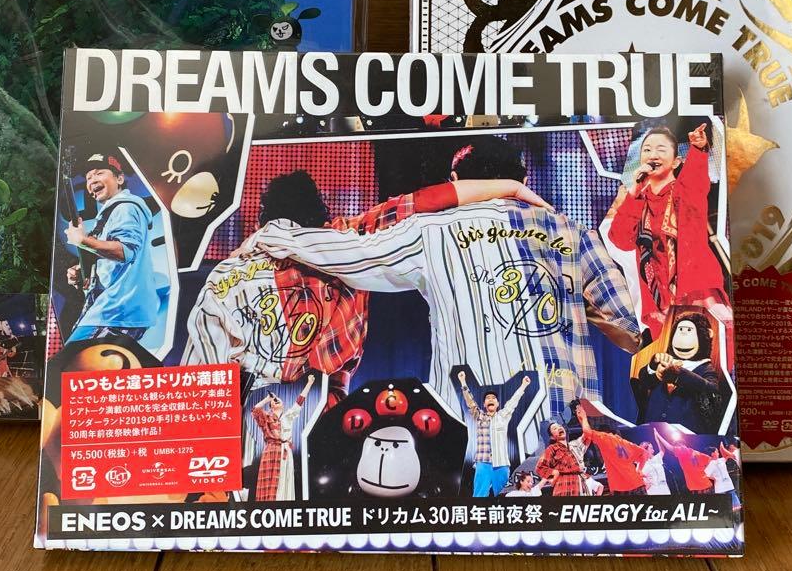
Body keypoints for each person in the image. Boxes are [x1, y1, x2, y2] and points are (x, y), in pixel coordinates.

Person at [248, 136, 642, 431]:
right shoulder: (574, 232)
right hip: (567, 430)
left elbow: (350, 253)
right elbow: (629, 330)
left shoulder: (429, 230)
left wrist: (276, 234)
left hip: (468, 434)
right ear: (524, 178)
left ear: (455, 179)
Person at [184, 168, 550, 407]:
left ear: (263, 217)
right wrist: (512, 187)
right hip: (319, 414)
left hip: (239, 418)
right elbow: (422, 202)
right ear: (319, 209)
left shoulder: (227, 273)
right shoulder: (347, 238)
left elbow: (198, 373)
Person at [606, 124, 726, 339]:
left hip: (695, 294)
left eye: (661, 149)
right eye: (647, 150)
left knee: (707, 351)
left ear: (676, 162)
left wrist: (698, 148)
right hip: (658, 303)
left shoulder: (684, 192)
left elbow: (695, 179)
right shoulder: (638, 201)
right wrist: (634, 192)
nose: (653, 155)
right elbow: (621, 239)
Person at [64, 152, 159, 344]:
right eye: (88, 177)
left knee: (73, 359)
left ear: (120, 179)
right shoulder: (109, 216)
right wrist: (82, 273)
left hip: (117, 310)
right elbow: (110, 263)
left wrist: (82, 240)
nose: (92, 180)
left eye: (99, 173)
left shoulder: (126, 208)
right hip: (110, 310)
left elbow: (125, 251)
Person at [633, 311, 726, 434]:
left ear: (707, 334)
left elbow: (712, 393)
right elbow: (645, 381)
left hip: (684, 439)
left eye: (689, 330)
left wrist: (678, 375)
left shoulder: (706, 369)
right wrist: (653, 365)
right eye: (680, 330)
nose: (683, 337)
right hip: (649, 431)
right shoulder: (666, 360)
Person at [458, 371, 531, 497]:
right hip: (483, 462)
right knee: (479, 496)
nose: (490, 399)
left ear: (497, 404)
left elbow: (513, 402)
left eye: (493, 398)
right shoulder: (479, 416)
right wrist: (463, 382)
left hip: (501, 464)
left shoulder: (503, 416)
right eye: (488, 398)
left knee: (502, 497)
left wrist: (523, 385)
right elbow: (470, 402)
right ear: (484, 404)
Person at [251, 375, 316, 501]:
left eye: (278, 400)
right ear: (271, 406)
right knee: (270, 480)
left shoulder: (288, 416)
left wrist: (309, 383)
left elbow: (299, 401)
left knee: (285, 478)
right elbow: (255, 410)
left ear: (283, 405)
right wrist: (268, 398)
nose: (276, 401)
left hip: (285, 450)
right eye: (273, 401)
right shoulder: (266, 417)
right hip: (271, 449)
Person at [576, 405, 647, 495]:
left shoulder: (605, 438)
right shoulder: (625, 443)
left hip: (621, 489)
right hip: (637, 484)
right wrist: (639, 469)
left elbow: (587, 432)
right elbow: (644, 453)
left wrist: (583, 416)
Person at [535, 419, 587, 497]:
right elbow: (539, 467)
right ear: (552, 437)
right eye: (555, 428)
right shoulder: (552, 448)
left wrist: (582, 418)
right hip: (563, 485)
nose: (559, 428)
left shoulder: (573, 446)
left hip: (579, 483)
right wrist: (554, 472)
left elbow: (587, 435)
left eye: (559, 426)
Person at [653, 428, 713, 494]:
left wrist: (658, 435)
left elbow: (670, 448)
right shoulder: (696, 452)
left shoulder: (683, 451)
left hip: (700, 489)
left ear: (680, 445)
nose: (676, 449)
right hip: (707, 486)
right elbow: (711, 461)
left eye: (676, 446)